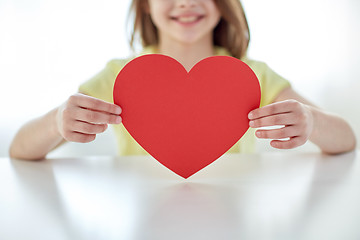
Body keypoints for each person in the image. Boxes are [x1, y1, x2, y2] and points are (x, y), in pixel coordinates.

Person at [9, 0, 356, 160]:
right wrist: (57, 123)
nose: (187, 2)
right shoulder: (119, 76)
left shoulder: (252, 75)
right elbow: (19, 150)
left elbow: (346, 139)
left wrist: (311, 121)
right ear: (144, 5)